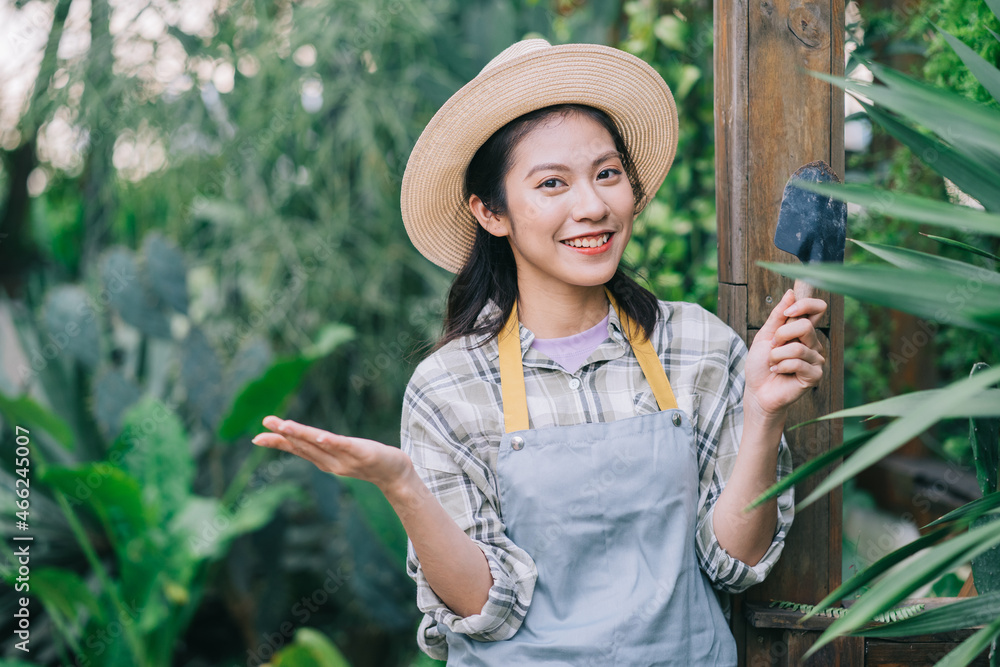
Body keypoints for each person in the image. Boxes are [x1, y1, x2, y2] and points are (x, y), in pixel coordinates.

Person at [251, 38, 827, 665]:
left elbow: (737, 565)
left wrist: (765, 417)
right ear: (491, 211)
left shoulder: (698, 346)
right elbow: (485, 611)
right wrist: (404, 486)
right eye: (552, 183)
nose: (592, 206)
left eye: (607, 174)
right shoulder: (449, 387)